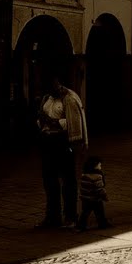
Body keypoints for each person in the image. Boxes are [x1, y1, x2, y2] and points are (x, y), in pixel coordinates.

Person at [35, 75, 87, 229]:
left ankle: (70, 216)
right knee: (49, 180)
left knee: (68, 180)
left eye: (54, 84)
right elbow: (40, 118)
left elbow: (72, 122)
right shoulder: (47, 98)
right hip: (47, 142)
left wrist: (52, 122)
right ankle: (52, 216)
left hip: (63, 143)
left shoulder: (69, 98)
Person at [77, 155, 110, 231]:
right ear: (95, 166)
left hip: (85, 198)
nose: (100, 166)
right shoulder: (97, 176)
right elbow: (99, 189)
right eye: (99, 165)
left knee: (85, 213)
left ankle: (81, 226)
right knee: (100, 212)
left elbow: (82, 187)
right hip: (96, 199)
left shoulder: (84, 175)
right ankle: (102, 224)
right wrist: (104, 196)